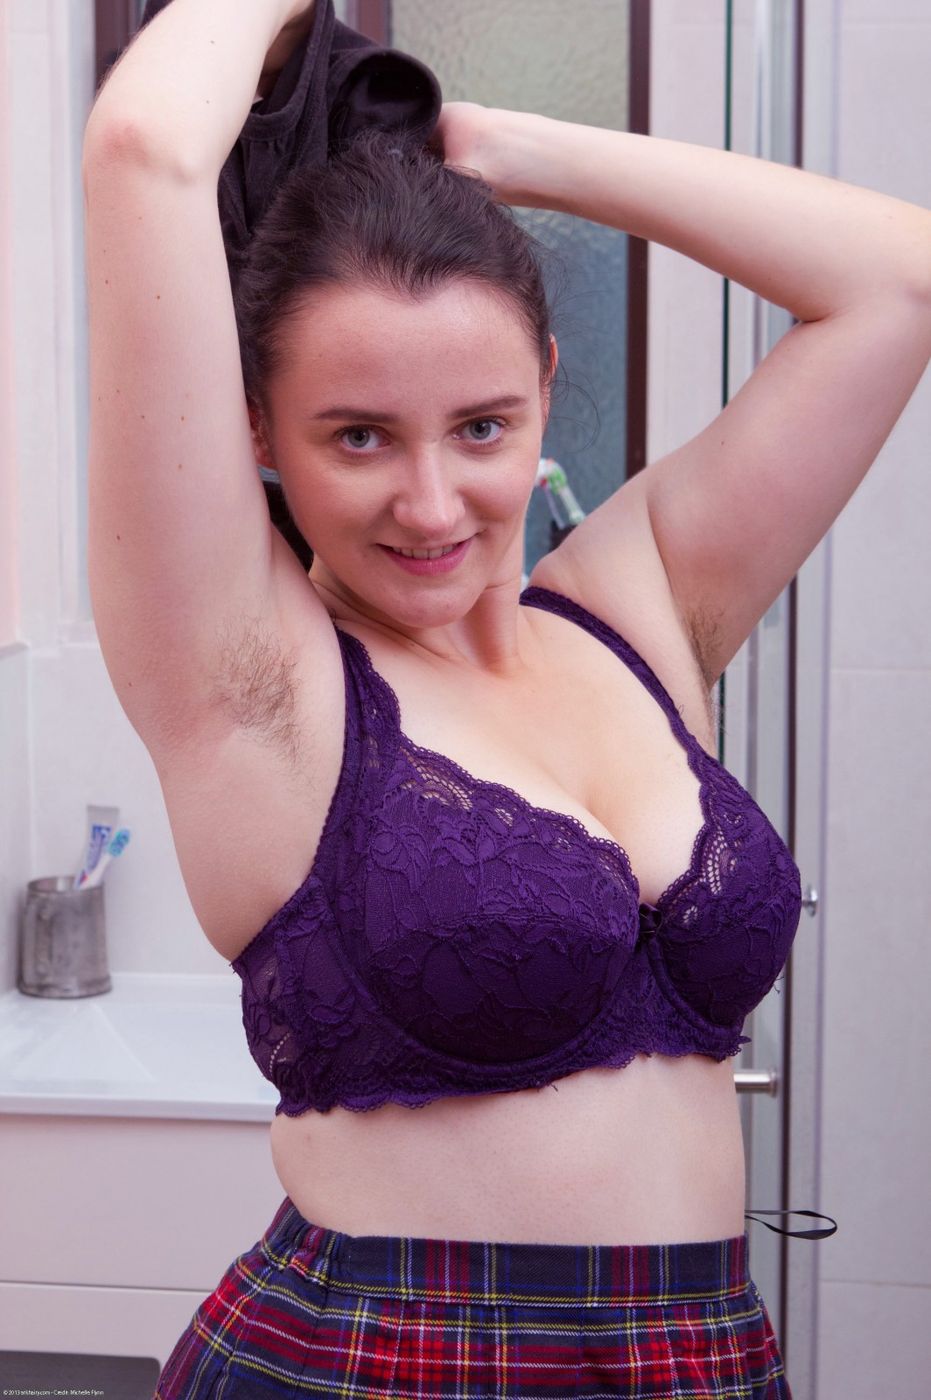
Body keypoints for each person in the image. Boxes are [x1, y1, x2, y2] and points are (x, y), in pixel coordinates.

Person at [81, 2, 930, 1396]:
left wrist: (509, 149)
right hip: (382, 1364)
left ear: (544, 387)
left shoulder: (635, 612)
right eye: (360, 437)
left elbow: (897, 282)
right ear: (259, 434)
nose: (431, 504)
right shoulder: (258, 679)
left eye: (481, 427)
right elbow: (142, 148)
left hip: (704, 1359)